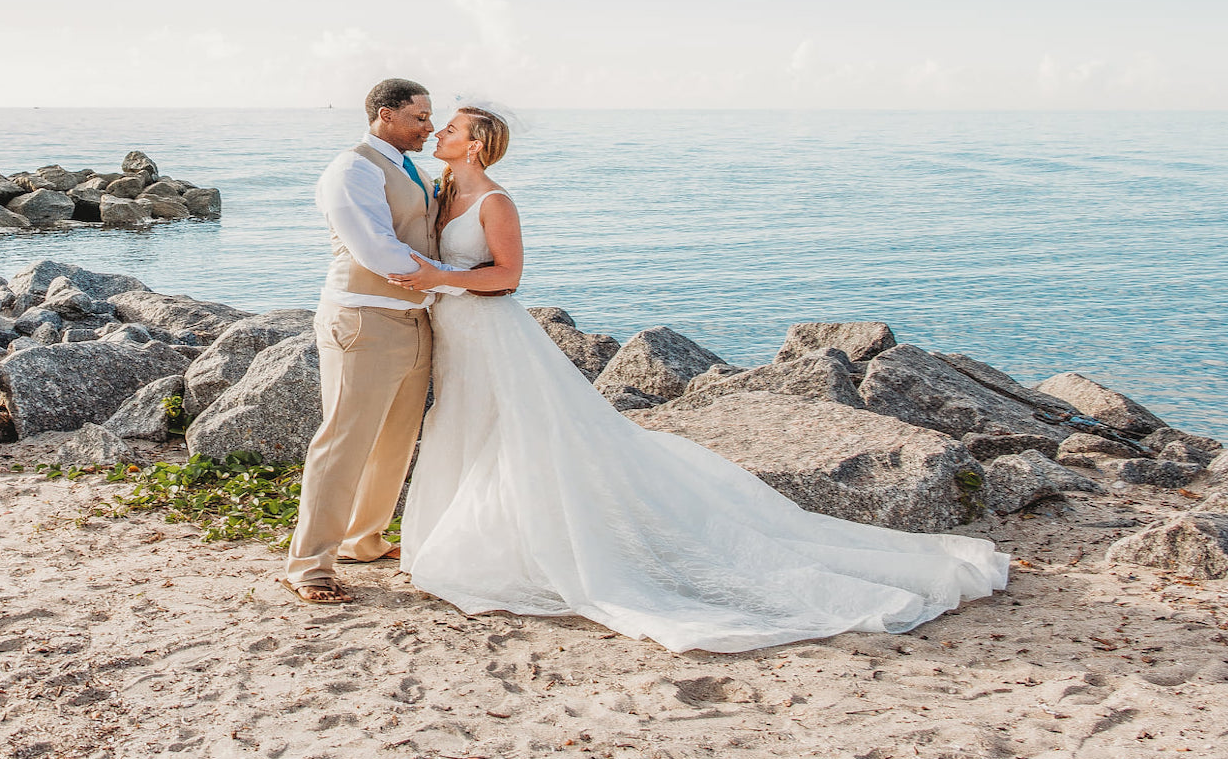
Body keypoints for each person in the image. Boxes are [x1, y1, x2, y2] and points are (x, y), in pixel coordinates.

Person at [384, 102, 1010, 653]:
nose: (439, 131)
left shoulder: (495, 201)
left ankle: (522, 548)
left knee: (519, 438)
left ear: (478, 143)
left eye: (453, 127)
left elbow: (508, 277)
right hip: (455, 334)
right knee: (465, 430)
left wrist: (438, 278)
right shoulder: (440, 192)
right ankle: (474, 538)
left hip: (494, 334)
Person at [280, 77, 463, 605]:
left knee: (396, 440)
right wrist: (453, 278)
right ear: (385, 114)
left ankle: (365, 539)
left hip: (415, 320)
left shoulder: (412, 169)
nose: (429, 128)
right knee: (343, 441)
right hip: (363, 320)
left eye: (431, 119)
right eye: (419, 118)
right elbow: (375, 250)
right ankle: (310, 566)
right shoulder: (353, 168)